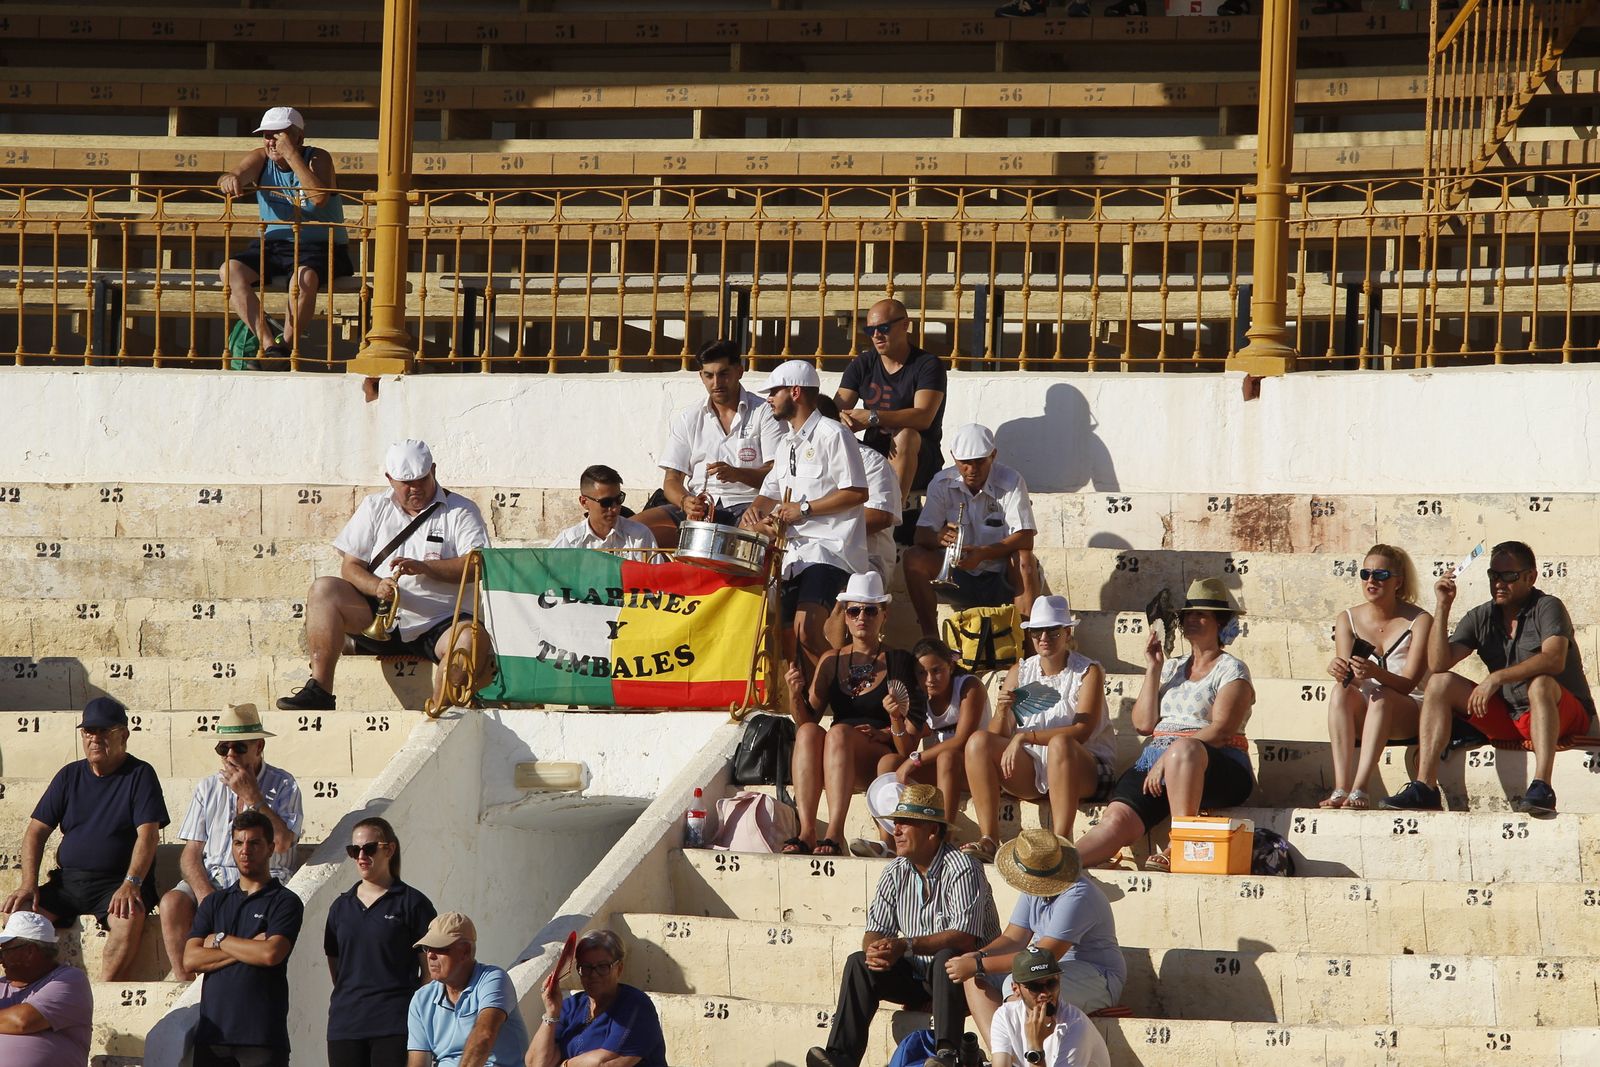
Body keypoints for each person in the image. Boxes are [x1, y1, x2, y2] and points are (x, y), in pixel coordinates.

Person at [1382, 540, 1595, 817]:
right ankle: (1425, 787)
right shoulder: (1482, 615)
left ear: (1531, 577)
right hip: (1511, 715)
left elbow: (1554, 659)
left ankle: (1542, 786)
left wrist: (1496, 678)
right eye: (1494, 575)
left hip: (1563, 714)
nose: (1499, 583)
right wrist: (1443, 607)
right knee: (1439, 683)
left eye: (1509, 576)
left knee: (1540, 683)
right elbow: (1437, 664)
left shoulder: (1548, 606)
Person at [279, 439, 492, 713]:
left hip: (441, 622)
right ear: (390, 479)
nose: (415, 488)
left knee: (470, 641)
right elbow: (351, 566)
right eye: (406, 482)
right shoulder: (374, 506)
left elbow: (476, 566)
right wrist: (377, 586)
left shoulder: (461, 510)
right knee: (324, 589)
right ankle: (319, 689)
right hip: (382, 617)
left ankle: (441, 713)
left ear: (434, 471)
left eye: (421, 479)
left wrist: (427, 568)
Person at [805, 784, 999, 1067]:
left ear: (932, 830)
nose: (895, 831)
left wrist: (905, 945)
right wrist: (877, 949)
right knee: (860, 963)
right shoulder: (895, 870)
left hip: (970, 979)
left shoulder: (962, 867)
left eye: (905, 824)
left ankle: (947, 1054)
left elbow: (965, 937)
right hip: (921, 975)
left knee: (949, 957)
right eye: (895, 823)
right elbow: (876, 927)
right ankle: (840, 1057)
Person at [1073, 579, 1256, 870]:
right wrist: (1154, 667)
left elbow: (1222, 729)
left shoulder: (1232, 669)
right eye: (1188, 615)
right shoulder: (1172, 666)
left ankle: (1180, 844)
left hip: (1216, 764)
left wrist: (1171, 756)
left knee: (1183, 752)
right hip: (1158, 759)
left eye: (1202, 614)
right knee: (1117, 818)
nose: (1192, 620)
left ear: (1219, 623)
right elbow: (1144, 724)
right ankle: (1063, 864)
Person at [1, 696, 166, 982]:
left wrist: (132, 883)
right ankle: (31, 989)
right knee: (17, 917)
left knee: (128, 919)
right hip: (68, 883)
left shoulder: (141, 774)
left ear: (124, 735)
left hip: (116, 882)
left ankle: (99, 995)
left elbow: (148, 834)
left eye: (104, 731)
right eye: (89, 732)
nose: (95, 739)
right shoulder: (69, 775)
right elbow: (36, 832)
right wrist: (28, 883)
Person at [786, 571, 928, 857]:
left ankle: (835, 833)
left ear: (883, 615)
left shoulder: (900, 661)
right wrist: (793, 693)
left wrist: (891, 726)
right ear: (846, 617)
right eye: (854, 610)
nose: (862, 617)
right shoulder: (831, 660)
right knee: (807, 733)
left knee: (837, 732)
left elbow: (910, 743)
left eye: (870, 610)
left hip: (875, 755)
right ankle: (807, 830)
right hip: (835, 756)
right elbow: (806, 720)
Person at [160, 703, 303, 983]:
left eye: (239, 748)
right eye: (223, 748)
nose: (230, 755)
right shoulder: (207, 787)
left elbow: (284, 843)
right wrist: (206, 896)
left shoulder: (284, 785)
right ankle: (183, 987)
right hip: (214, 878)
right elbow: (191, 854)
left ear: (259, 747)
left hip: (264, 880)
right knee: (172, 903)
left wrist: (254, 798)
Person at [963, 596, 1112, 863]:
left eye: (1052, 631)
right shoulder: (1020, 670)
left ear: (1067, 633)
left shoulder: (1088, 671)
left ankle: (1062, 840)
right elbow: (996, 736)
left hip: (1082, 766)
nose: (1043, 637)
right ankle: (989, 837)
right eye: (1037, 632)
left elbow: (1081, 731)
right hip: (1032, 766)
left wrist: (1024, 736)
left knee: (1061, 743)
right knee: (977, 742)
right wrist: (1002, 711)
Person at [741, 359, 869, 670]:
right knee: (788, 637)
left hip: (829, 550)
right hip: (792, 554)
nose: (769, 398)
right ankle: (812, 706)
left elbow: (857, 492)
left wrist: (805, 509)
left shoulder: (833, 433)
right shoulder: (786, 443)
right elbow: (769, 493)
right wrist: (753, 514)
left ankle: (844, 690)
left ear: (795, 392)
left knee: (807, 629)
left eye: (774, 391)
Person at [945, 830, 1123, 1046]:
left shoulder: (1078, 894)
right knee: (974, 978)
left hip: (1098, 977)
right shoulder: (1036, 883)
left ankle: (1018, 1057)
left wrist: (979, 964)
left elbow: (1043, 958)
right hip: (1051, 970)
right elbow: (1013, 937)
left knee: (1021, 982)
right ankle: (1003, 1054)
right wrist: (978, 956)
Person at [216, 106, 354, 361]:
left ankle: (288, 346)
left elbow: (319, 197)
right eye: (267, 135)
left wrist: (292, 156)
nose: (272, 142)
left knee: (304, 278)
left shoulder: (318, 158)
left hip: (321, 246)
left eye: (279, 135)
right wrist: (229, 178)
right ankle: (270, 344)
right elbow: (236, 173)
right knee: (230, 270)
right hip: (273, 245)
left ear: (298, 137)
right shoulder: (261, 157)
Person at [635, 339, 785, 548]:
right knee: (632, 530)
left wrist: (738, 473)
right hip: (699, 507)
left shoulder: (764, 412)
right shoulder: (689, 417)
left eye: (723, 374)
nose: (716, 383)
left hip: (748, 507)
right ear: (701, 376)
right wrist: (685, 501)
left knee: (751, 533)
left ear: (739, 372)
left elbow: (777, 474)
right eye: (709, 375)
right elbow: (672, 479)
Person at [184, 810, 306, 1067]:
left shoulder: (285, 902)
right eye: (238, 843)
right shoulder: (215, 902)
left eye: (254, 843)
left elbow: (270, 954)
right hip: (213, 1038)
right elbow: (191, 959)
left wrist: (217, 939)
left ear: (271, 848)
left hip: (262, 1038)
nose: (245, 850)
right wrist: (248, 945)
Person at [903, 423, 1041, 637]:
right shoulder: (941, 483)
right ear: (953, 457)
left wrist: (983, 553)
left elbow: (1025, 539)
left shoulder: (1012, 481)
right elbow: (921, 535)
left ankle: (1027, 646)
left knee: (1024, 559)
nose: (972, 469)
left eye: (979, 462)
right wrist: (939, 537)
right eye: (964, 463)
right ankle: (932, 640)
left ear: (993, 456)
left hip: (1000, 575)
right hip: (958, 576)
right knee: (914, 558)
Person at [1322, 545, 1432, 810]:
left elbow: (1408, 684)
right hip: (1369, 707)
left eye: (1380, 574)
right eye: (1365, 573)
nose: (1371, 580)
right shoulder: (1346, 618)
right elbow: (1351, 680)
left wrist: (1375, 673)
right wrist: (1340, 670)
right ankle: (1341, 788)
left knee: (1381, 696)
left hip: (1408, 709)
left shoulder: (1419, 619)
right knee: (1340, 692)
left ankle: (1360, 788)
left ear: (1398, 582)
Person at [326, 818, 438, 1067]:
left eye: (369, 848)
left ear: (389, 849)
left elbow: (430, 969)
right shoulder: (340, 907)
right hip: (345, 1025)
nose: (361, 856)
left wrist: (412, 1010)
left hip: (395, 1024)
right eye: (354, 850)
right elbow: (336, 967)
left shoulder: (413, 903)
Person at [859, 638, 988, 849]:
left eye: (936, 670)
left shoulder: (968, 686)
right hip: (942, 769)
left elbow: (961, 740)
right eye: (921, 673)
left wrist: (916, 760)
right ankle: (888, 842)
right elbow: (905, 748)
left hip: (973, 770)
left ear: (951, 665)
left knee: (947, 757)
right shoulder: (921, 697)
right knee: (889, 762)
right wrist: (895, 718)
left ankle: (943, 840)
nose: (929, 679)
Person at [834, 298, 948, 499]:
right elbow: (835, 411)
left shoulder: (928, 365)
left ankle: (891, 512)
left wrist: (873, 417)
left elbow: (923, 417)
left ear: (905, 325)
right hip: (873, 455)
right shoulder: (862, 364)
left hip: (919, 460)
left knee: (905, 435)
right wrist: (842, 419)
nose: (876, 335)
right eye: (870, 330)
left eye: (883, 328)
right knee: (835, 434)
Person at [526, 929, 667, 1067]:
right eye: (586, 967)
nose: (593, 974)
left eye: (603, 966)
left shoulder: (635, 1006)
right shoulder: (571, 1007)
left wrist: (565, 1065)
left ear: (619, 968)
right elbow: (535, 1063)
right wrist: (551, 1012)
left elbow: (605, 1063)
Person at [407, 912, 529, 1067]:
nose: (430, 955)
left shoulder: (493, 979)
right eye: (427, 948)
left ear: (465, 951)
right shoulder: (421, 999)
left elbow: (484, 1036)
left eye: (440, 948)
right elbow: (418, 1063)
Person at [985, 948, 1111, 1067]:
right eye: (1035, 987)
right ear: (1015, 989)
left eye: (1051, 983)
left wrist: (1035, 1048)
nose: (1045, 994)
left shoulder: (1075, 1025)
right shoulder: (1005, 1016)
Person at [0, 911, 93, 1067]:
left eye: (4, 951)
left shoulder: (70, 980)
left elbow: (22, 1021)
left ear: (30, 951)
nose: (0, 958)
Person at [550, 465, 658, 554]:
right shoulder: (569, 542)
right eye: (606, 502)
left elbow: (656, 577)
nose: (614, 508)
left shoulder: (640, 536)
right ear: (584, 502)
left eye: (619, 499)